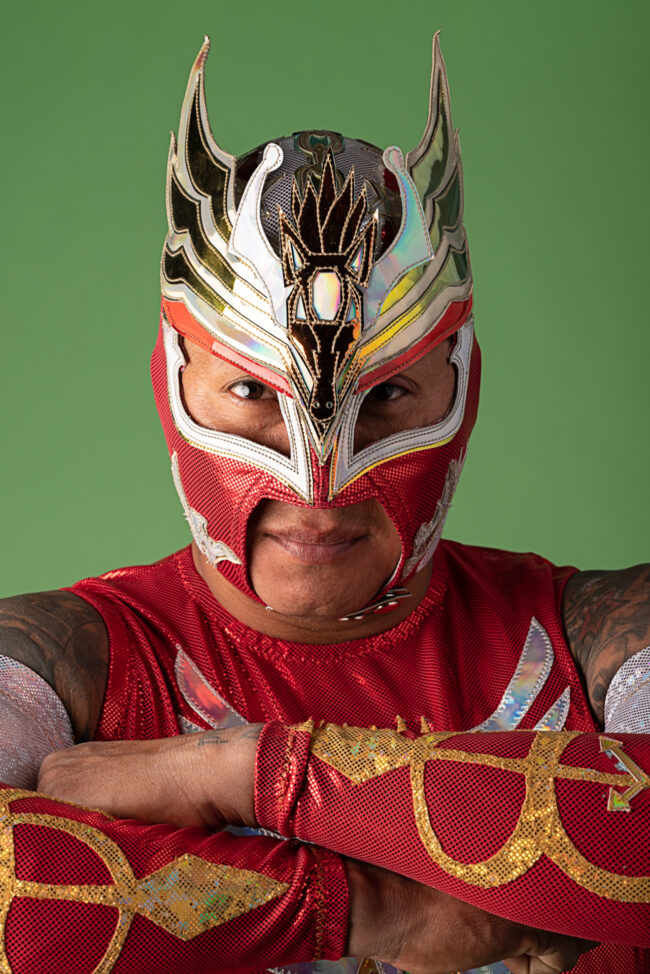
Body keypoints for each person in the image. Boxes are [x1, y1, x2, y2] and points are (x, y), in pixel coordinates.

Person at [0, 33, 648, 974]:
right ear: (173, 382)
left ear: (460, 389)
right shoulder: (68, 659)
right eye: (253, 396)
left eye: (387, 397)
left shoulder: (598, 631)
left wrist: (246, 773)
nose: (319, 480)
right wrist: (368, 911)